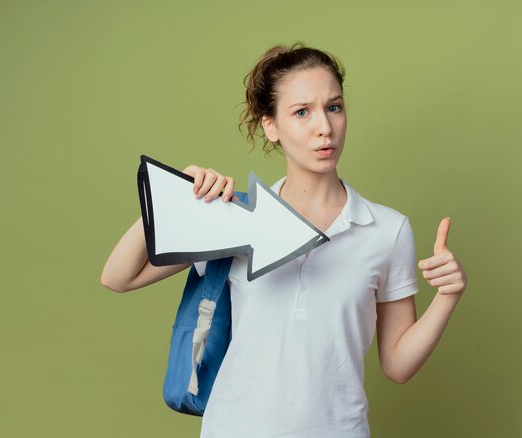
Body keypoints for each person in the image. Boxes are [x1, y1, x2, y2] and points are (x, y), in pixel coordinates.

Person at [101, 43, 468, 438]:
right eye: (301, 112)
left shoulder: (386, 229)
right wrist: (175, 198)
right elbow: (119, 276)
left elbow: (397, 365)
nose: (324, 127)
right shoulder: (233, 216)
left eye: (334, 107)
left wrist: (448, 296)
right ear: (271, 127)